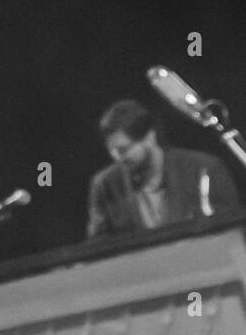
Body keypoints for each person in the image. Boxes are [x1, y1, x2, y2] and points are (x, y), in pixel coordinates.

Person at [86, 98, 242, 239]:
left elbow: (232, 234)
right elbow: (98, 245)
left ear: (149, 137)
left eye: (123, 150)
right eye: (112, 151)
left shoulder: (205, 168)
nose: (117, 158)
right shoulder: (105, 184)